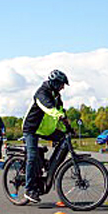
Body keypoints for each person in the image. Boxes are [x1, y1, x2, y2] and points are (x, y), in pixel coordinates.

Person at [21, 69, 73, 203]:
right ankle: (29, 190)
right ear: (55, 83)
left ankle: (50, 166)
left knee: (64, 140)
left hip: (46, 129)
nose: (63, 87)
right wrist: (60, 115)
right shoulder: (41, 93)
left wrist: (67, 127)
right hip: (32, 128)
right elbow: (49, 109)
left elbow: (60, 112)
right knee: (32, 156)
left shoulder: (56, 96)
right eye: (61, 84)